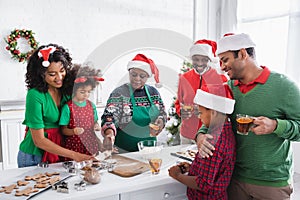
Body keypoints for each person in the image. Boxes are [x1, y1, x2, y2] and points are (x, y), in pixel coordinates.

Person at [195, 33, 300, 199]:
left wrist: (275, 126)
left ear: (243, 54)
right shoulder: (227, 89)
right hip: (234, 180)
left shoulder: (284, 87)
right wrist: (200, 136)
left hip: (271, 184)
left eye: (225, 60)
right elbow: (211, 120)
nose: (222, 67)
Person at [17, 44, 93, 168]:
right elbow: (39, 140)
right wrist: (75, 155)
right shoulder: (35, 95)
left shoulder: (67, 91)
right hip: (34, 156)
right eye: (52, 74)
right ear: (41, 75)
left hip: (60, 152)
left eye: (62, 71)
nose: (59, 78)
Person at [169, 84, 236, 200]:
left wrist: (177, 175)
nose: (199, 117)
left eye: (201, 113)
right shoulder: (227, 131)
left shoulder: (211, 141)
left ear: (214, 112)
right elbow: (215, 169)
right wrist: (193, 168)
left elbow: (203, 184)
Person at [101, 54, 167, 152]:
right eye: (134, 74)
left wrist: (160, 122)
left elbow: (162, 113)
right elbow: (109, 117)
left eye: (142, 76)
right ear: (129, 73)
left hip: (148, 150)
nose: (137, 79)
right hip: (123, 150)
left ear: (148, 77)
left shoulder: (154, 93)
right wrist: (109, 134)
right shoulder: (119, 93)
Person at [175, 39, 227, 144]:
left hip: (208, 135)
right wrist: (181, 111)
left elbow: (224, 110)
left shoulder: (221, 79)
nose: (199, 63)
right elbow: (178, 103)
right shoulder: (184, 78)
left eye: (204, 60)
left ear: (210, 60)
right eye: (196, 59)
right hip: (186, 134)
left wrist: (202, 110)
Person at [59, 64, 107, 160]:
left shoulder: (91, 106)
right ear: (74, 90)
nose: (86, 95)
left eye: (89, 92)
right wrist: (73, 131)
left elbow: (94, 122)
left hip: (91, 145)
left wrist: (96, 125)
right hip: (74, 147)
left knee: (92, 171)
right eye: (82, 92)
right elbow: (63, 130)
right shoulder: (68, 107)